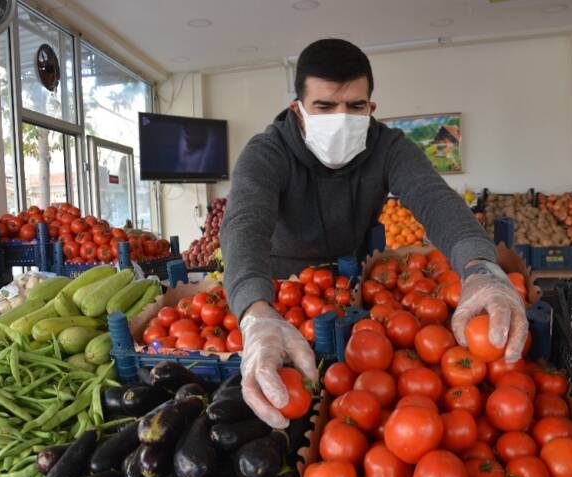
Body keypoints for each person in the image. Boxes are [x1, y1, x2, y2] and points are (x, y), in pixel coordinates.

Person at [221, 39, 527, 429]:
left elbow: (435, 200)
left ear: (371, 108)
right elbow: (244, 224)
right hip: (284, 291)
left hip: (354, 285)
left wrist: (480, 267)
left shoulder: (388, 147)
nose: (341, 118)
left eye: (355, 106)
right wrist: (254, 313)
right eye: (324, 106)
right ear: (298, 110)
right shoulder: (267, 152)